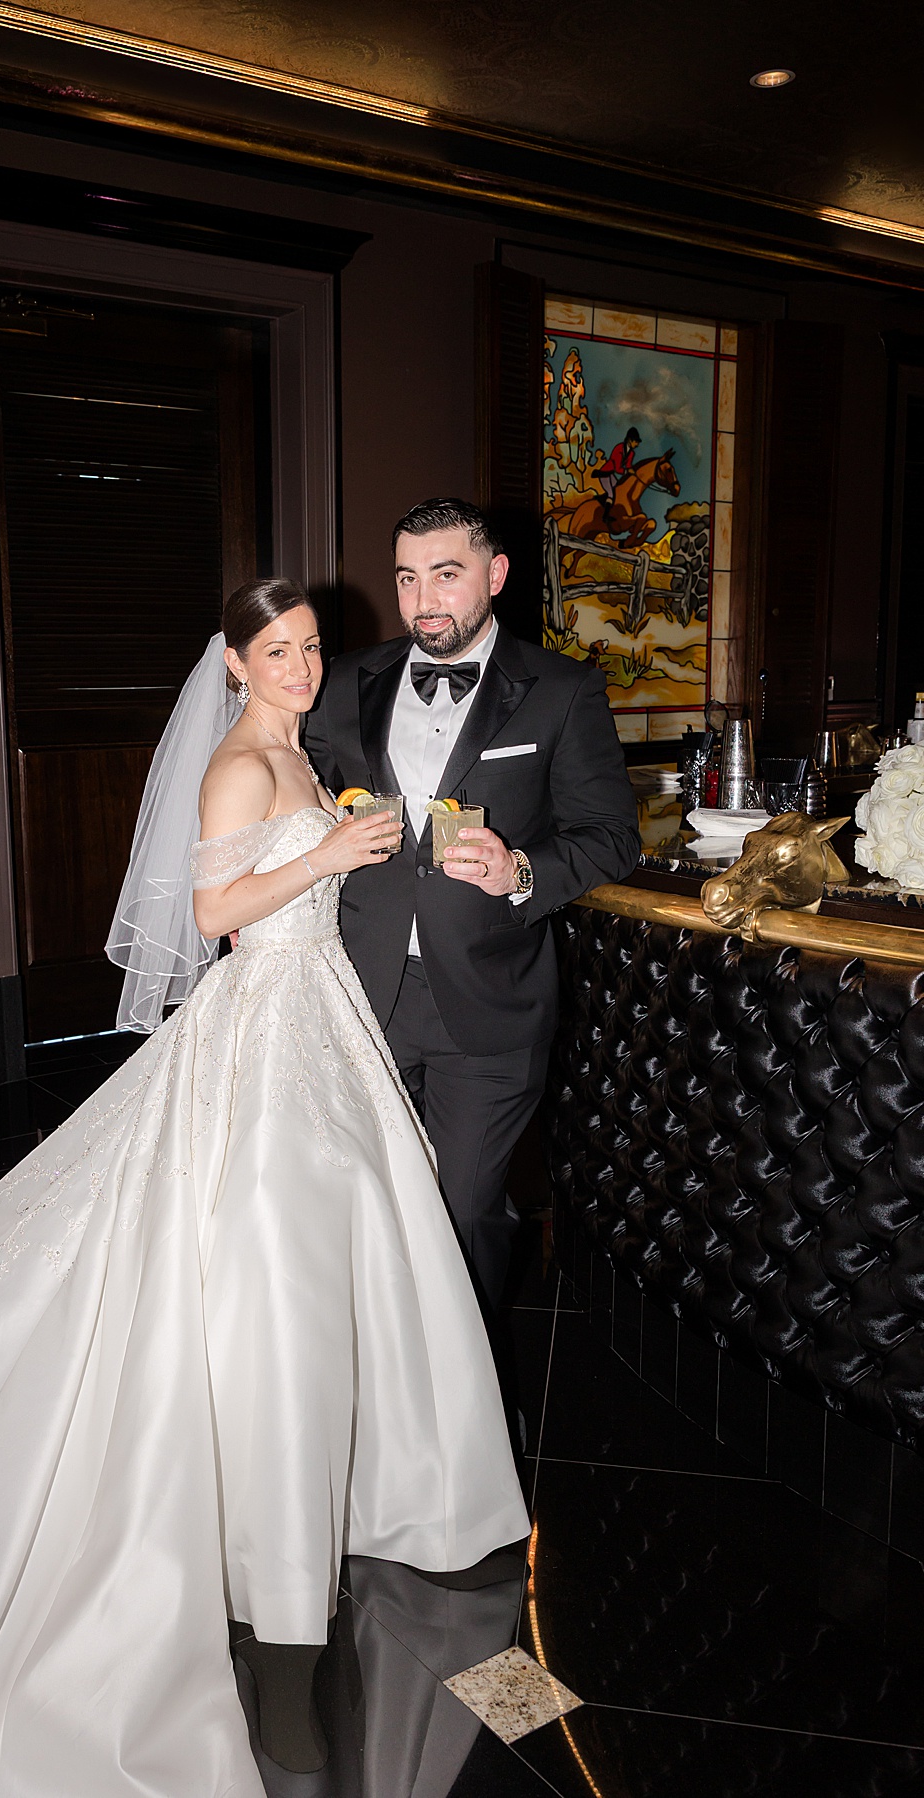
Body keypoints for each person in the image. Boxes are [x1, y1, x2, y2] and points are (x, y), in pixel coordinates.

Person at [0, 578, 528, 1795]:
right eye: (278, 650)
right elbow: (215, 913)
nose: (303, 667)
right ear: (235, 658)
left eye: (312, 647)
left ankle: (377, 1481)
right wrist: (331, 852)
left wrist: (341, 840)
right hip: (263, 1019)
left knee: (360, 1252)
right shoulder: (239, 769)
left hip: (324, 1017)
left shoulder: (300, 753)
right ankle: (277, 1615)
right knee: (272, 1270)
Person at [306, 496, 639, 1451]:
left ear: (494, 575)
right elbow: (295, 795)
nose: (423, 599)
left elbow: (611, 835)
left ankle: (470, 1400)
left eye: (445, 574)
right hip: (354, 994)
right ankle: (383, 1401)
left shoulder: (560, 691)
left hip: (487, 1003)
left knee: (465, 1205)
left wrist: (522, 871)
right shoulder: (349, 682)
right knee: (366, 1204)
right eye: (407, 577)